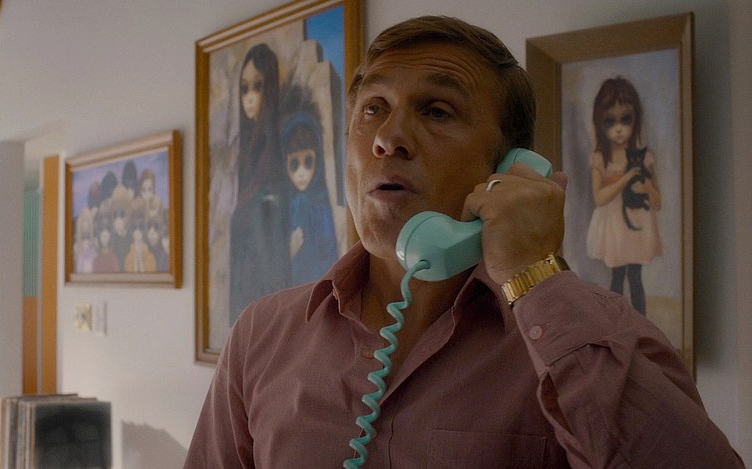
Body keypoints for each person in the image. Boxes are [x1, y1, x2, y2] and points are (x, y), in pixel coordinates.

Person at [184, 16, 743, 468]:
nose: (388, 138)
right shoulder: (261, 336)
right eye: (373, 109)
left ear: (508, 167)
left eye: (436, 110)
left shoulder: (597, 339)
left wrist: (534, 274)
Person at [586, 77, 662, 315]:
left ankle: (642, 325)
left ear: (635, 118)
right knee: (617, 276)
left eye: (625, 119)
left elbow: (658, 201)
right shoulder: (600, 158)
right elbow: (599, 198)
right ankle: (615, 323)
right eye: (610, 121)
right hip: (614, 226)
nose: (618, 129)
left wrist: (647, 187)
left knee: (636, 277)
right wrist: (627, 177)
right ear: (600, 122)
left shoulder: (645, 157)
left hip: (638, 224)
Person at [227, 43, 291, 325]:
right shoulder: (248, 149)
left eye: (257, 87)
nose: (250, 98)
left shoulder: (278, 146)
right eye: (244, 89)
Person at [282, 111, 340, 285]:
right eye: (294, 164)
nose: (301, 173)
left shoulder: (321, 207)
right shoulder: (289, 207)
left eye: (308, 162)